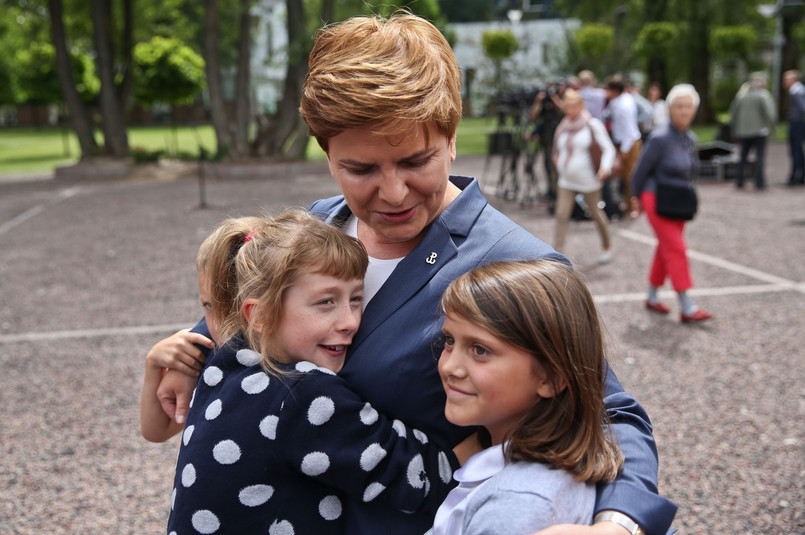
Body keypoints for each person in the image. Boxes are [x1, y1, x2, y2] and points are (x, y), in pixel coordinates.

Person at [154, 12, 677, 535]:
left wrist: (618, 524)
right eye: (360, 169)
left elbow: (609, 413)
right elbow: (259, 327)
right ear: (327, 154)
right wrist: (190, 347)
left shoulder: (517, 264)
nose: (394, 192)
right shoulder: (318, 224)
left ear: (451, 138)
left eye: (415, 161)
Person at [154, 210, 464, 534]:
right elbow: (411, 477)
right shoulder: (302, 394)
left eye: (356, 299)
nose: (351, 321)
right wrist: (481, 445)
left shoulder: (225, 363)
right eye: (326, 302)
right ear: (258, 315)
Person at [428, 259, 624, 534]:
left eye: (480, 350)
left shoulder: (512, 508)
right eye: (449, 341)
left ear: (551, 378)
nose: (449, 367)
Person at [630, 83, 712, 323]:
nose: (684, 112)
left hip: (678, 201)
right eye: (679, 107)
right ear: (669, 109)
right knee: (676, 248)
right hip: (655, 196)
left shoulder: (691, 138)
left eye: (688, 107)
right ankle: (687, 305)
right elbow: (639, 171)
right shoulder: (659, 138)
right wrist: (636, 198)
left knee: (666, 247)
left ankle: (652, 296)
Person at [552, 89, 616, 264]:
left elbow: (608, 148)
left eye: (575, 105)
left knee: (595, 213)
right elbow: (557, 151)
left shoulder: (591, 124)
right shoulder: (563, 126)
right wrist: (559, 165)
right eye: (568, 106)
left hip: (588, 180)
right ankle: (557, 254)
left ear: (581, 106)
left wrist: (604, 168)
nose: (571, 109)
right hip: (566, 180)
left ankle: (607, 246)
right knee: (561, 214)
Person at [729, 72, 776, 190]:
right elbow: (769, 113)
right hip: (759, 131)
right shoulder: (763, 95)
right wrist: (773, 127)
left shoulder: (741, 95)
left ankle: (739, 180)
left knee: (743, 156)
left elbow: (733, 113)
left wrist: (734, 129)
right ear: (761, 83)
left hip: (743, 132)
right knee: (759, 156)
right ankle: (758, 182)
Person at [605, 77, 643, 217]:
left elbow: (627, 130)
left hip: (628, 143)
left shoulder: (622, 106)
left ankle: (633, 208)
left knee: (629, 178)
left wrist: (625, 150)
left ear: (614, 91)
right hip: (628, 142)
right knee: (626, 177)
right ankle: (630, 206)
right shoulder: (624, 100)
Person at [782, 70, 805, 186]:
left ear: (793, 80)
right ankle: (801, 176)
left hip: (797, 123)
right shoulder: (799, 90)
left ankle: (794, 177)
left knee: (795, 150)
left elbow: (803, 108)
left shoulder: (797, 92)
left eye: (786, 79)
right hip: (798, 123)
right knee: (798, 150)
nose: (784, 82)